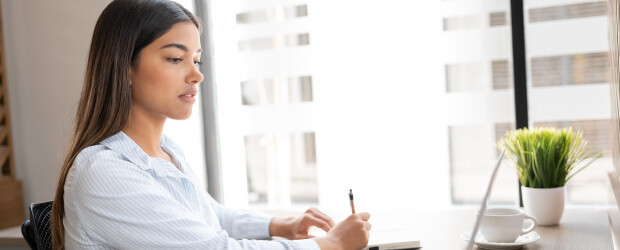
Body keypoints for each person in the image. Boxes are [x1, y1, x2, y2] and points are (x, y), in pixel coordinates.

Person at [51, 0, 371, 249]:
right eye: (176, 59)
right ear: (125, 68)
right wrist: (329, 244)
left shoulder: (164, 152)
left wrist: (280, 225)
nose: (196, 75)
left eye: (196, 59)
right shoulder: (104, 171)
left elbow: (211, 216)